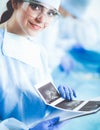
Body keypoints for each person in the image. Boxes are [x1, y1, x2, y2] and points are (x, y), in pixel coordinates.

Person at [0, 0, 76, 130]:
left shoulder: (39, 51)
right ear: (15, 3)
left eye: (51, 13)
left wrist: (58, 102)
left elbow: (33, 104)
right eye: (35, 6)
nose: (42, 19)